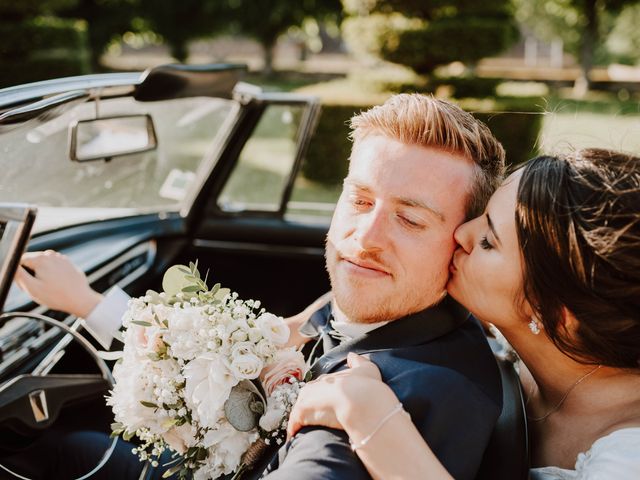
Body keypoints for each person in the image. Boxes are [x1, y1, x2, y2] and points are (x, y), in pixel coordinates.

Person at [16, 94, 506, 479]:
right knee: (71, 450)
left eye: (410, 219)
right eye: (360, 200)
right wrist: (86, 302)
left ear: (462, 241)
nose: (366, 238)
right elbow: (239, 340)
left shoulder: (405, 395)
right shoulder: (369, 306)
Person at [285, 148, 640, 479]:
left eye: (488, 241)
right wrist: (304, 323)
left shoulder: (628, 458)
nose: (462, 233)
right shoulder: (534, 333)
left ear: (555, 315)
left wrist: (373, 422)